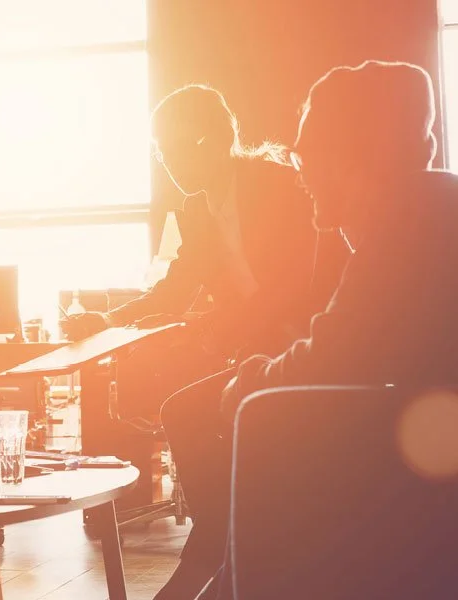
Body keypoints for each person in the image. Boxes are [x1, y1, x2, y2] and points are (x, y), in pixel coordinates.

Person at [175, 60, 458, 600]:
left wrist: (249, 380)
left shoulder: (411, 227)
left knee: (266, 412)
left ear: (353, 161)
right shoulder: (428, 208)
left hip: (432, 472)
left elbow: (332, 356)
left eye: (305, 154)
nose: (299, 172)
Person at [64, 85, 326, 420]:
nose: (170, 164)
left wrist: (212, 333)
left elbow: (292, 286)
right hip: (260, 349)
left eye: (179, 147)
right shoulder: (197, 211)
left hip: (312, 341)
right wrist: (107, 320)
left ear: (217, 139)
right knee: (175, 411)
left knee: (194, 415)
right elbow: (176, 289)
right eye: (162, 153)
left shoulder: (275, 186)